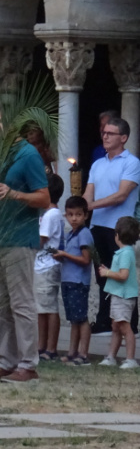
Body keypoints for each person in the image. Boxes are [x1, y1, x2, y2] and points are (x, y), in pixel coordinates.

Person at [0, 117, 49, 384]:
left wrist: (14, 193)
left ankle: (28, 363)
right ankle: (6, 361)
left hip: (19, 238)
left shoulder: (29, 154)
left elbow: (44, 197)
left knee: (21, 303)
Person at [84, 116, 140, 336]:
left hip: (120, 227)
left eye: (110, 133)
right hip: (98, 224)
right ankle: (105, 320)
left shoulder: (131, 162)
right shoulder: (98, 163)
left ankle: (130, 323)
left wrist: (91, 204)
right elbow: (90, 189)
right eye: (103, 132)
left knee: (122, 275)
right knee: (102, 275)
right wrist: (84, 204)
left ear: (123, 138)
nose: (105, 136)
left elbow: (122, 194)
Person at [54, 196, 94, 366]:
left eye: (78, 214)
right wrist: (60, 256)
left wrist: (65, 255)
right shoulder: (71, 234)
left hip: (78, 282)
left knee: (82, 318)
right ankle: (72, 352)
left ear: (85, 215)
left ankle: (83, 354)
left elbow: (85, 259)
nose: (74, 218)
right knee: (73, 319)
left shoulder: (85, 234)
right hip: (68, 280)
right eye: (70, 215)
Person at [98, 216, 140, 369]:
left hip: (123, 296)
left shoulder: (125, 253)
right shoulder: (124, 252)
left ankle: (130, 359)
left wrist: (107, 273)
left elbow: (123, 275)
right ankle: (111, 356)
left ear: (117, 236)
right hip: (118, 295)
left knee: (125, 327)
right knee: (115, 326)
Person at [34, 174, 65, 362]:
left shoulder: (51, 215)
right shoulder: (50, 214)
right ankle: (41, 345)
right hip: (42, 267)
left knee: (49, 308)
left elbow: (40, 240)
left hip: (46, 267)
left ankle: (51, 347)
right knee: (41, 308)